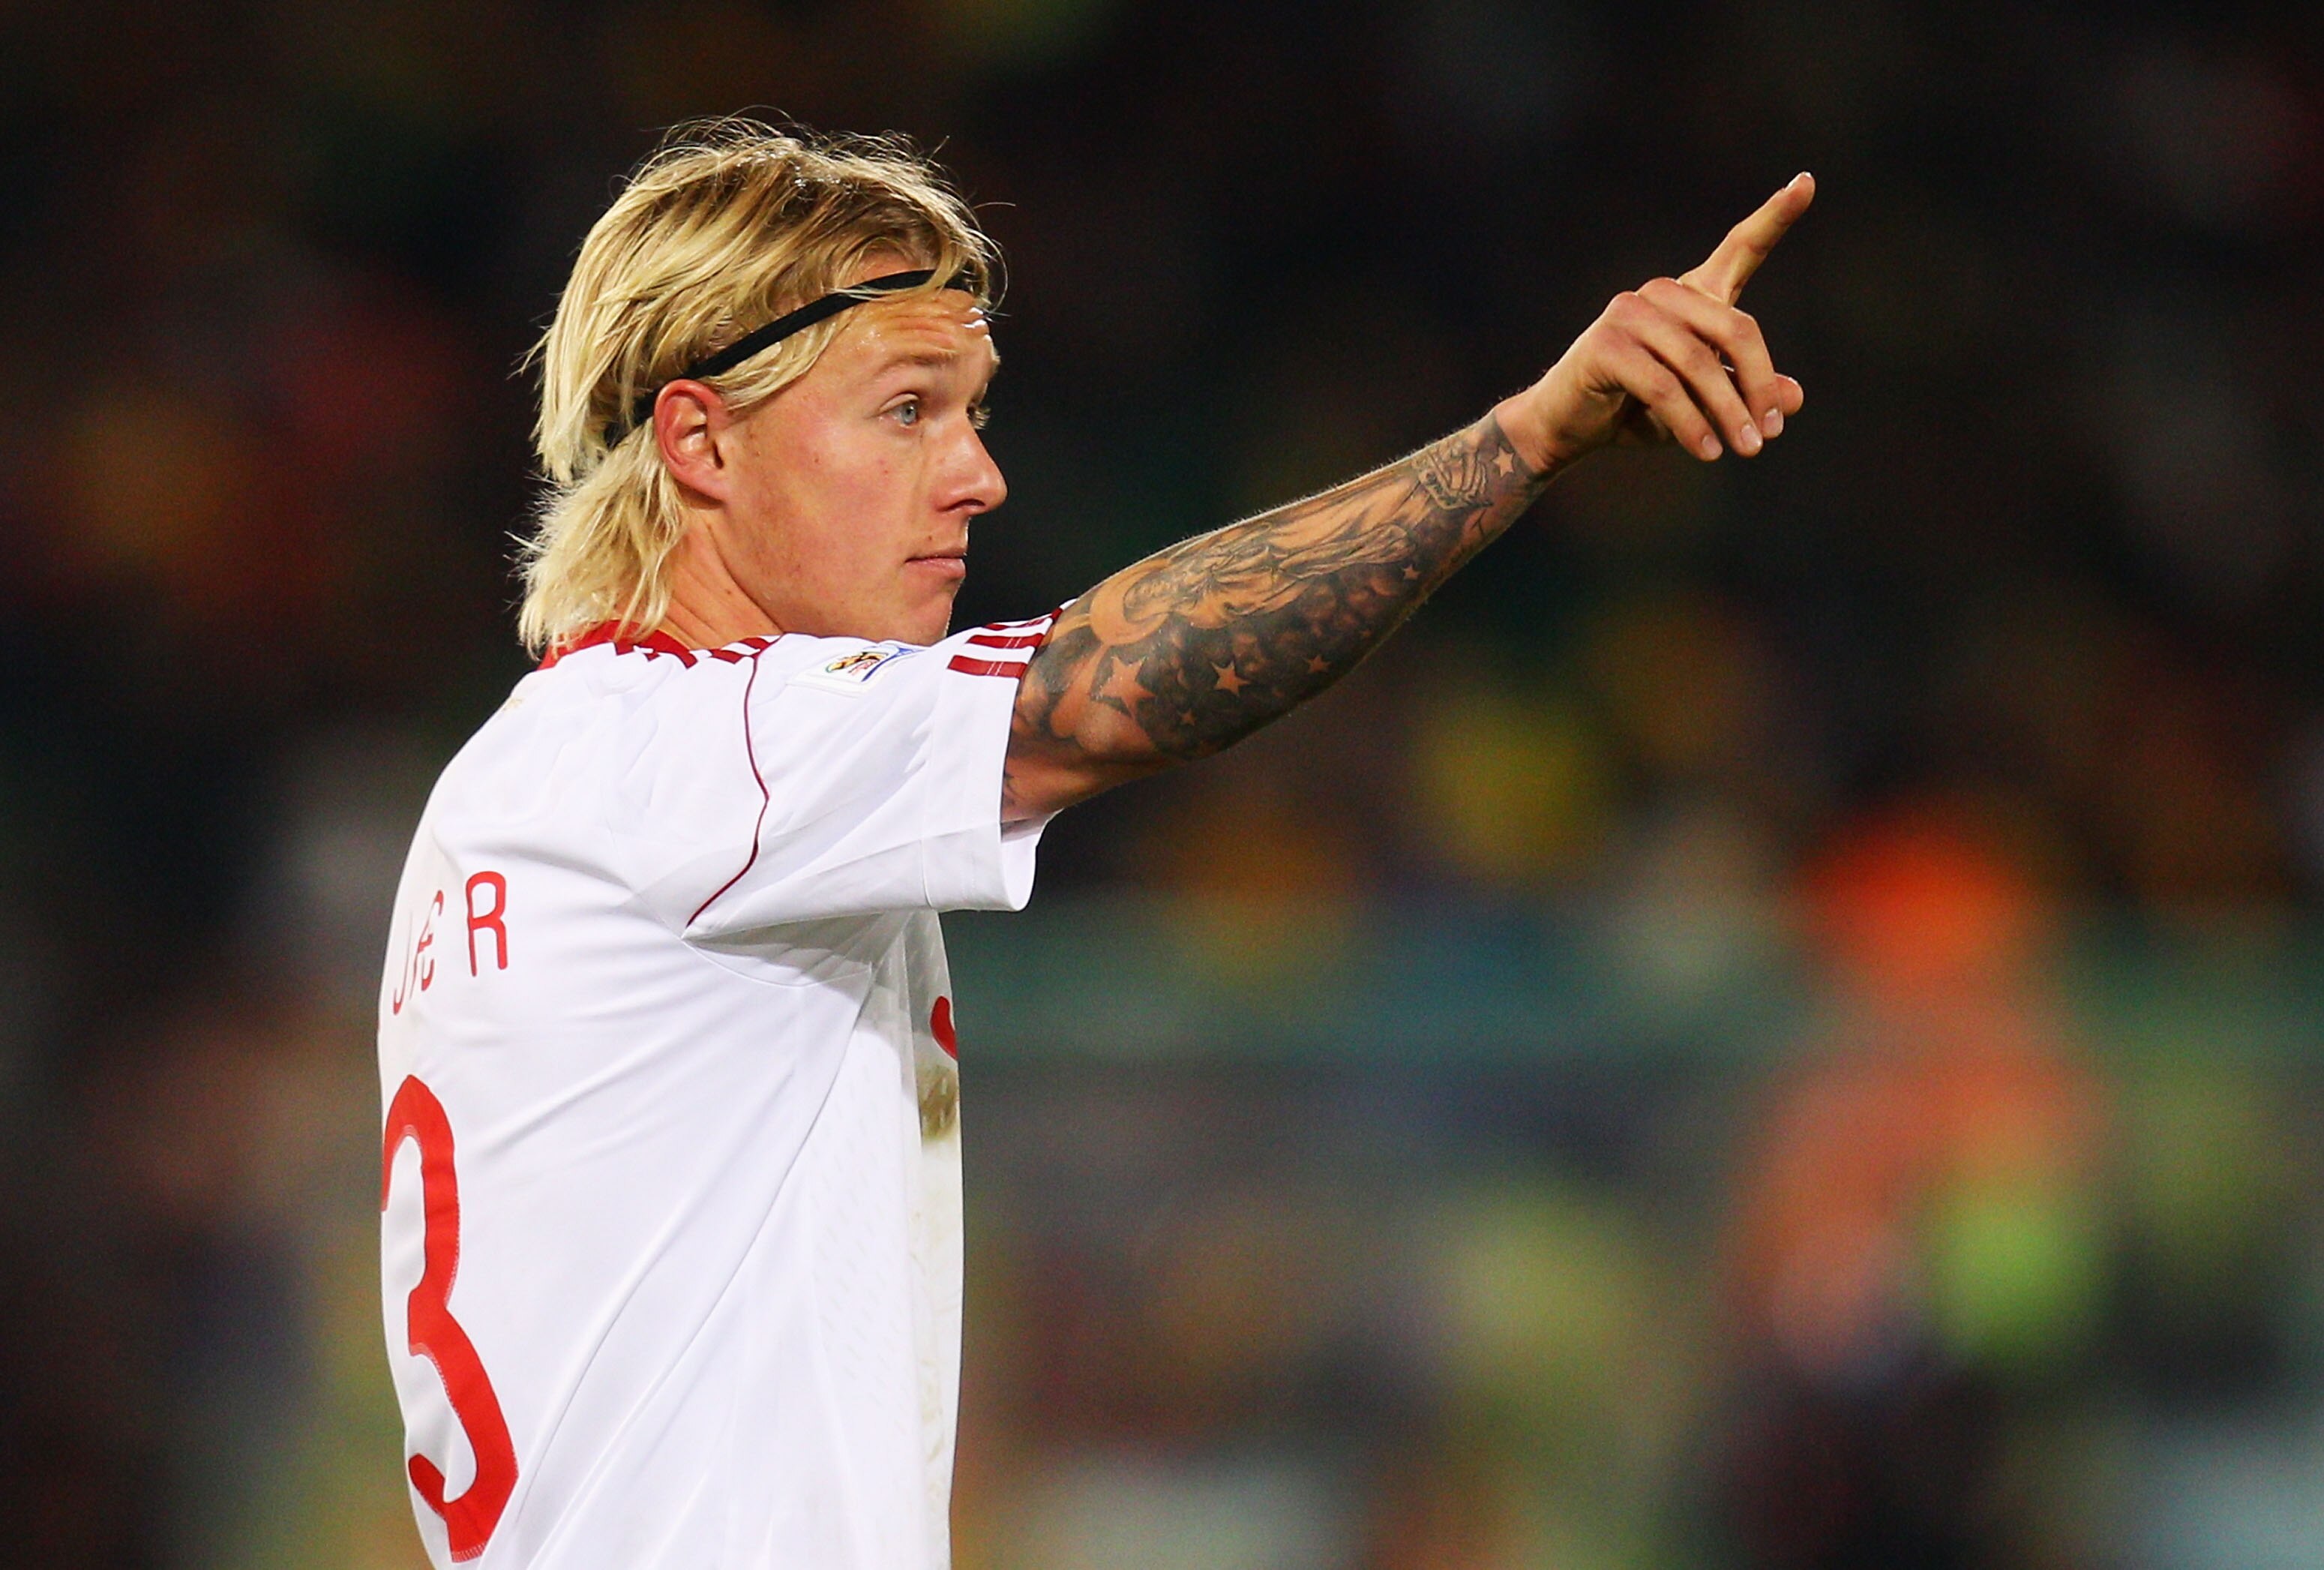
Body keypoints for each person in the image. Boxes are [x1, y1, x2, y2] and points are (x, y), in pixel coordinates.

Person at [376, 119, 1812, 1569]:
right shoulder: (700, 753)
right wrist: (1533, 437)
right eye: (905, 409)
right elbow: (1113, 690)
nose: (976, 474)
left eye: (973, 409)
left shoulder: (543, 779)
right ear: (701, 439)